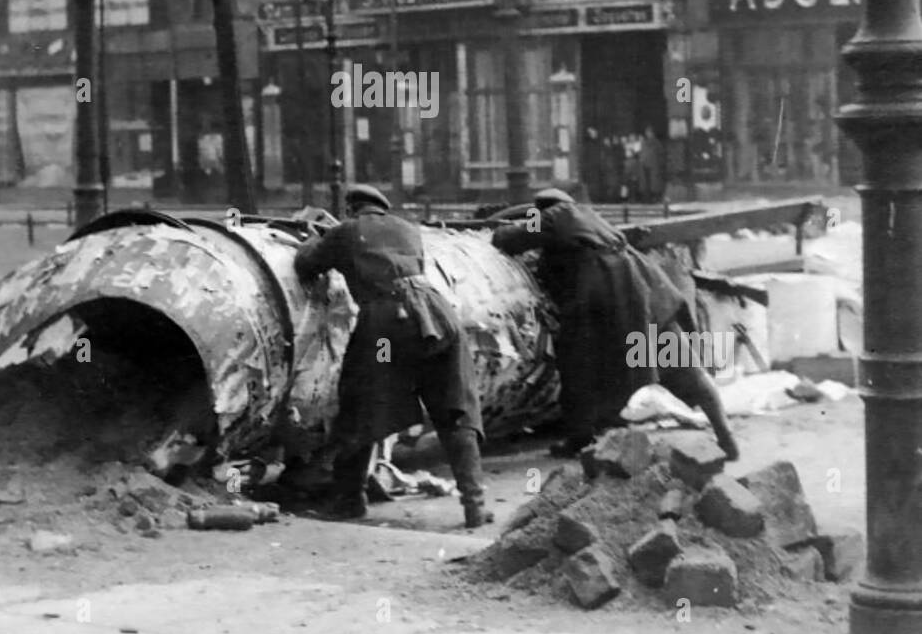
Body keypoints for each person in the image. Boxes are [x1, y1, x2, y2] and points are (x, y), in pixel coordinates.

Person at [293, 183, 492, 527]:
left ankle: (349, 500)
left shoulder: (347, 231)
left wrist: (317, 237)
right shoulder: (408, 229)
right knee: (455, 408)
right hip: (439, 318)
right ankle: (474, 505)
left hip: (386, 327)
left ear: (352, 209)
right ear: (382, 209)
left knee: (360, 403)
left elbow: (306, 263)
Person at [490, 188, 738, 461]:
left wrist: (509, 227)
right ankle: (725, 434)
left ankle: (581, 441)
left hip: (609, 299)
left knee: (579, 367)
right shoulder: (593, 218)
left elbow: (507, 239)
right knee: (684, 369)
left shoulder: (553, 217)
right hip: (647, 295)